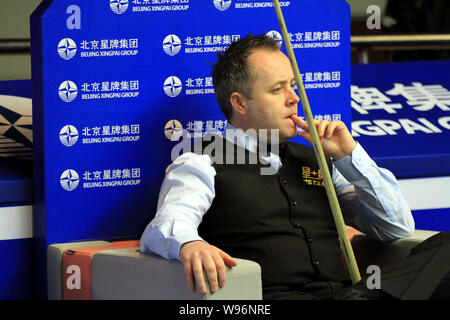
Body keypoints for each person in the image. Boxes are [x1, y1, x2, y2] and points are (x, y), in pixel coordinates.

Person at [140, 34, 449, 300]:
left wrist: (349, 155)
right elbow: (166, 225)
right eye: (277, 90)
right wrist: (191, 243)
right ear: (240, 103)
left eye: (293, 85)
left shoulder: (320, 158)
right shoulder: (203, 161)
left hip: (347, 293)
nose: (294, 98)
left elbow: (395, 227)